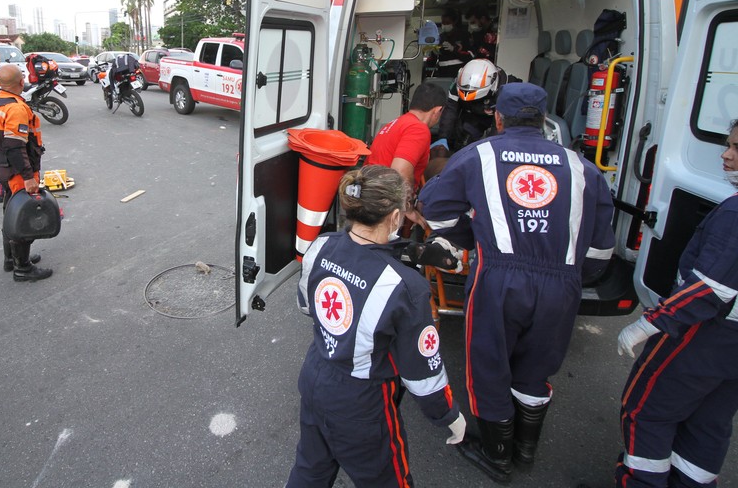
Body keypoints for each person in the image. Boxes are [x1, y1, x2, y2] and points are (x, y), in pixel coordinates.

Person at [421, 82, 616, 482]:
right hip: (562, 283)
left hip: (499, 277)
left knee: (490, 364)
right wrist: (571, 276)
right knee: (536, 365)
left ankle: (497, 456)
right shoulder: (581, 167)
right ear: (544, 119)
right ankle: (525, 450)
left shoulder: (478, 155)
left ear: (497, 117)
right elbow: (600, 250)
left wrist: (470, 239)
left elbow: (436, 210)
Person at [285, 164, 466, 487]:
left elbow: (306, 305)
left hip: (314, 377)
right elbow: (422, 373)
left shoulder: (320, 246)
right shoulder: (408, 288)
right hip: (362, 403)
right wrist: (448, 415)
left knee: (310, 469)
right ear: (395, 217)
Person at [613, 119, 738, 488]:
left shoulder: (733, 214)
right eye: (728, 145)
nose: (726, 155)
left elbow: (710, 289)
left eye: (736, 148)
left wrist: (650, 322)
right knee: (708, 424)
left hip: (704, 334)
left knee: (645, 411)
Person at [0, 64, 52, 282]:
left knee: (10, 214)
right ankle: (23, 268)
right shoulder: (16, 108)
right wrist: (28, 177)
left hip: (4, 168)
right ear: (21, 82)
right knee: (24, 217)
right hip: (17, 172)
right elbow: (15, 146)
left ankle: (11, 260)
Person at [365, 81, 447, 226]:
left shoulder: (395, 123)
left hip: (369, 197)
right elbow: (400, 170)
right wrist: (408, 209)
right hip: (383, 206)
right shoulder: (418, 129)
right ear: (437, 110)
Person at [434, 58, 509, 154]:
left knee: (495, 146)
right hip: (473, 114)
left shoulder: (507, 90)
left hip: (500, 116)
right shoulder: (457, 84)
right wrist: (442, 137)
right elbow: (450, 111)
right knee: (463, 142)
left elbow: (501, 126)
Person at [429, 8, 472, 78]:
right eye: (443, 23)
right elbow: (431, 63)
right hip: (442, 74)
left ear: (454, 22)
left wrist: (453, 50)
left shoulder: (464, 36)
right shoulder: (440, 37)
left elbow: (470, 57)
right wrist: (434, 53)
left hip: (459, 73)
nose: (445, 25)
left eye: (447, 23)